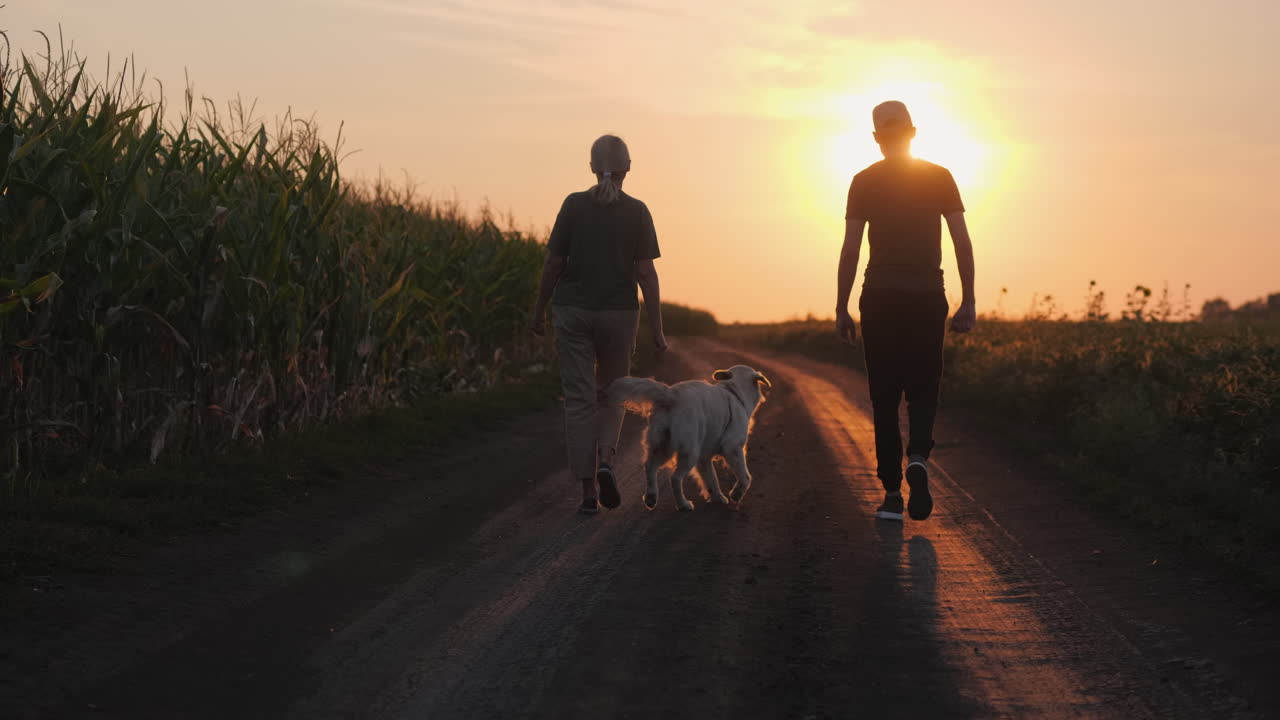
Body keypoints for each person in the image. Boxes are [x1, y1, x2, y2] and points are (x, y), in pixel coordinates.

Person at [834, 100, 977, 522]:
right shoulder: (940, 177)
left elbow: (851, 248)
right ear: (913, 132)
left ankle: (893, 494)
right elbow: (961, 241)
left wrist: (841, 307)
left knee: (883, 395)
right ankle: (918, 457)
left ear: (878, 139)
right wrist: (968, 300)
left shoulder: (863, 181)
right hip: (926, 296)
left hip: (879, 297)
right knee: (924, 389)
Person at [531, 134, 668, 515]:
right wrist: (657, 328)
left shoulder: (573, 205)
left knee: (578, 400)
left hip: (572, 311)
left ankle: (588, 492)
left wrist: (539, 309)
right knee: (612, 394)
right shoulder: (638, 211)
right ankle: (607, 458)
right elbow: (646, 274)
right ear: (628, 167)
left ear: (592, 167)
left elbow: (554, 264)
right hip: (619, 315)